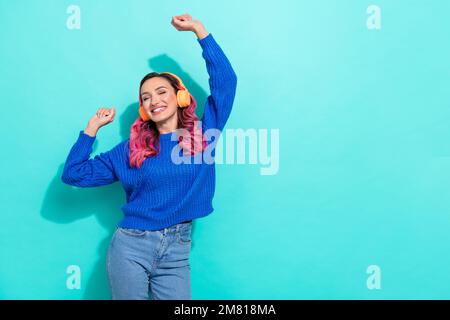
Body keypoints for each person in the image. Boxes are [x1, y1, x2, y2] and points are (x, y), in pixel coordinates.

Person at [61, 13, 237, 300]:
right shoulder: (130, 148)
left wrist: (199, 31)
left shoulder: (204, 134)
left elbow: (226, 83)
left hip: (178, 248)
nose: (154, 100)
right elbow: (73, 174)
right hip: (131, 247)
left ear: (179, 97)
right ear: (143, 108)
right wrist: (91, 130)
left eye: (161, 91)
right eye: (146, 97)